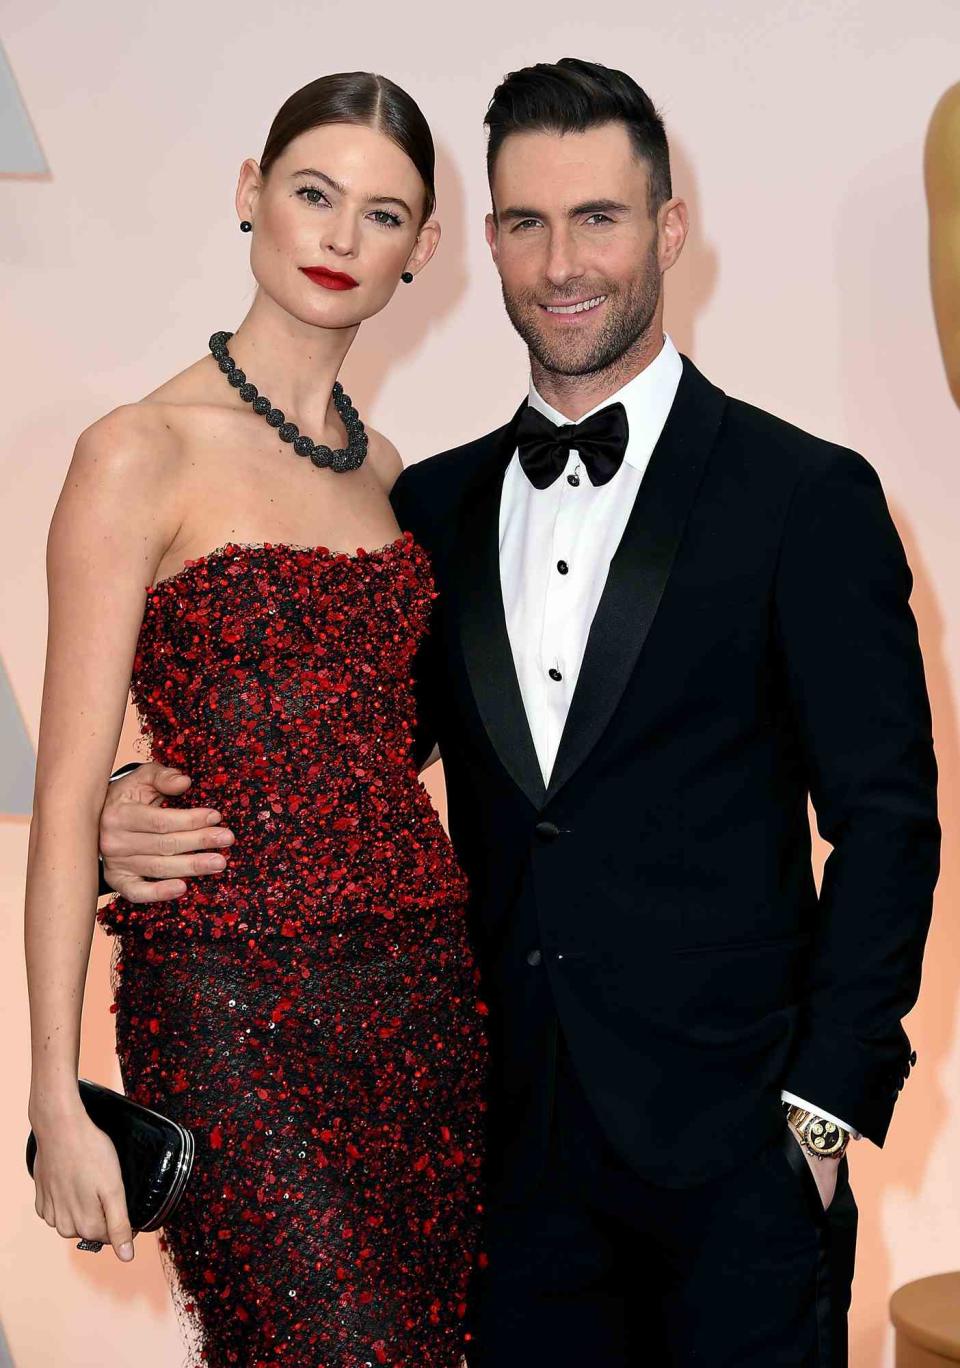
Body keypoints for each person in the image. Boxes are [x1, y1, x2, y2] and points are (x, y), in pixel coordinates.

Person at [97, 59, 940, 1366]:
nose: (562, 263)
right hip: (493, 1154)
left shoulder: (806, 495)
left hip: (741, 1170)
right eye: (526, 223)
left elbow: (890, 825)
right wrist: (119, 809)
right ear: (483, 241)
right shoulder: (422, 505)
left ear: (667, 229)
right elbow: (334, 749)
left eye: (597, 217)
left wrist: (825, 1111)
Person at [25, 72, 487, 1368]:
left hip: (422, 1000)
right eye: (314, 194)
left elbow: (377, 738)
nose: (341, 239)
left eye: (382, 215)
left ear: (423, 251)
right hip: (226, 1006)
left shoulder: (390, 476)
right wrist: (55, 1095)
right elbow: (62, 804)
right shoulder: (138, 450)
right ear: (250, 195)